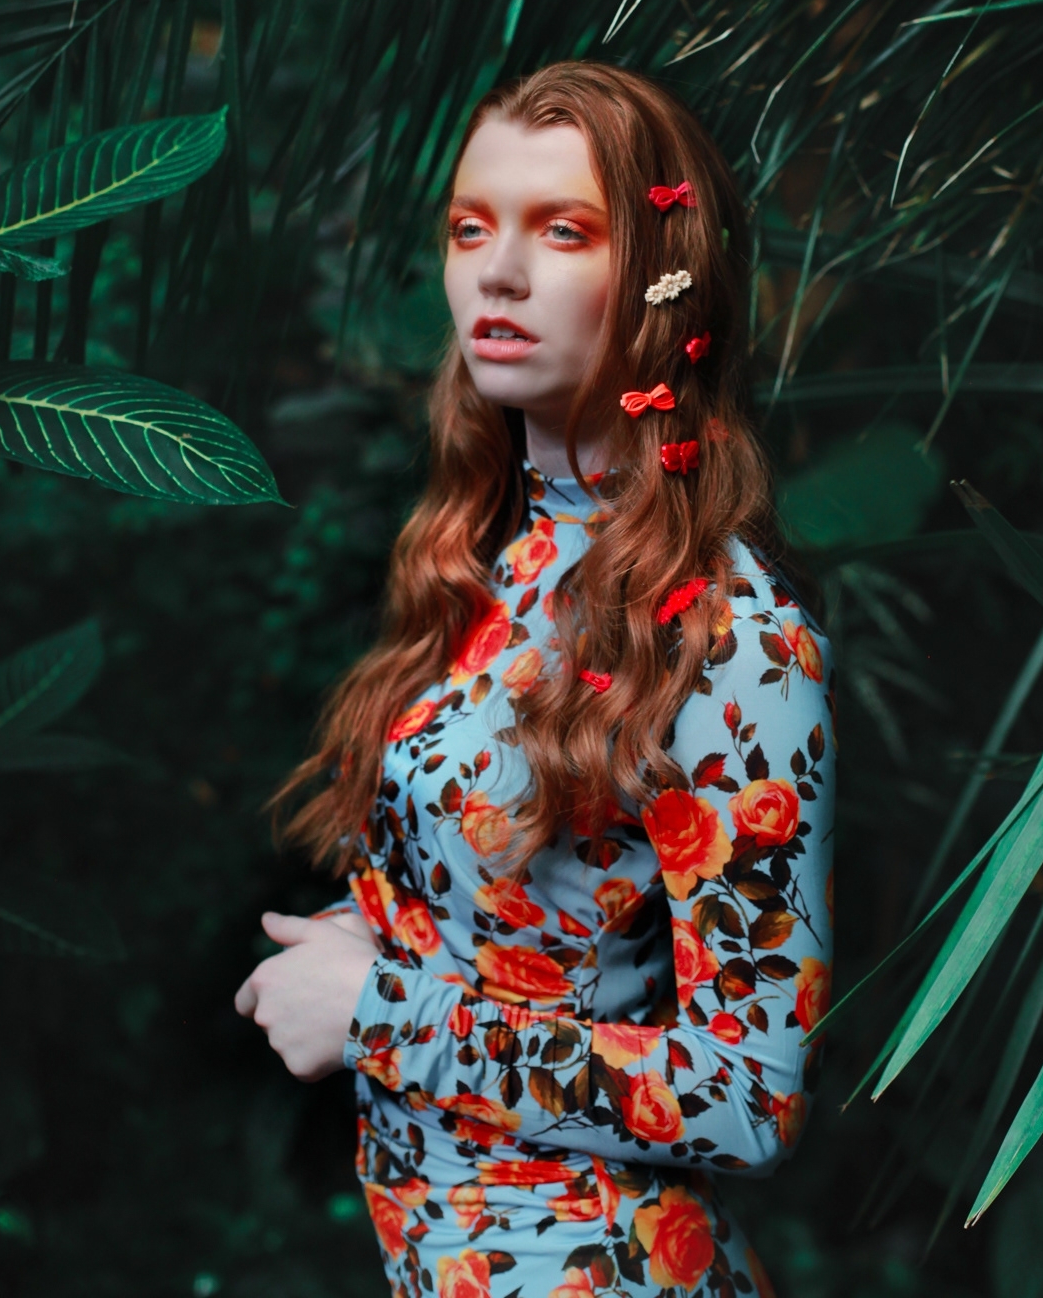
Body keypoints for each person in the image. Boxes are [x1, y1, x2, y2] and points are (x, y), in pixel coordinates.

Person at [235, 62, 835, 1298]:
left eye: (562, 231)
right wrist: (389, 929)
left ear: (666, 279)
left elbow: (751, 1098)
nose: (496, 274)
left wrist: (381, 1012)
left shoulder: (734, 640)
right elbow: (541, 910)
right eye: (471, 229)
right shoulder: (497, 554)